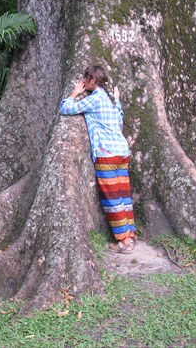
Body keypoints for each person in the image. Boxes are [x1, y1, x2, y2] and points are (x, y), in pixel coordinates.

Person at [60, 65, 136, 254]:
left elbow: (66, 109)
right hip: (121, 152)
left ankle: (125, 242)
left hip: (107, 154)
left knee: (112, 199)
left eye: (86, 78)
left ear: (93, 80)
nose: (84, 81)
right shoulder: (112, 99)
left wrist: (74, 93)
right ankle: (130, 234)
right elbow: (119, 121)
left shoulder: (94, 100)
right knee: (124, 195)